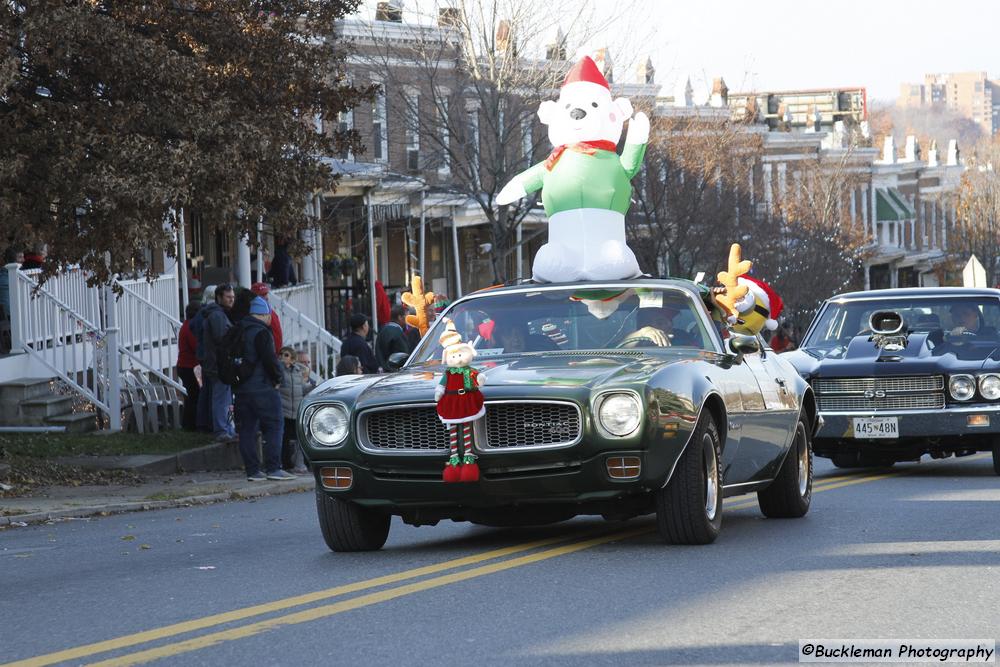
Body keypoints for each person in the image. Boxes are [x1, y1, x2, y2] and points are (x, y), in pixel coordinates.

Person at [233, 297, 296, 481]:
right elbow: (270, 360)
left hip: (241, 388)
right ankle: (273, 468)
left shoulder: (237, 329)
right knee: (275, 426)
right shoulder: (262, 332)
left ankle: (253, 471)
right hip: (263, 388)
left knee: (246, 430)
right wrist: (277, 379)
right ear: (264, 314)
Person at [199, 283, 237, 442]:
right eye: (228, 297)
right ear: (219, 297)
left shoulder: (220, 314)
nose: (231, 300)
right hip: (218, 365)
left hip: (222, 365)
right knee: (221, 398)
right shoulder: (217, 316)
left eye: (233, 297)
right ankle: (221, 430)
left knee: (227, 399)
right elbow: (223, 339)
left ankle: (228, 428)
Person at [277, 346, 313, 474]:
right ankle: (285, 465)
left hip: (296, 411)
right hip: (284, 410)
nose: (282, 357)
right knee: (284, 439)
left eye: (286, 355)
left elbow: (302, 388)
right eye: (281, 355)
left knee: (299, 439)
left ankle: (299, 464)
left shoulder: (297, 372)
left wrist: (313, 387)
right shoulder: (279, 370)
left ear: (292, 359)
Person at [619, 305, 696, 347]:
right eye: (660, 322)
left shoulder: (681, 336)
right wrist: (642, 333)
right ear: (644, 325)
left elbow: (698, 352)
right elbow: (619, 350)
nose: (669, 325)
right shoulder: (637, 341)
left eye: (670, 320)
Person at [176, 302, 201, 431]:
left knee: (192, 396)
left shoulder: (185, 326)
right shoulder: (191, 328)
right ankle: (190, 425)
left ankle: (188, 425)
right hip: (190, 367)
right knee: (195, 396)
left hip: (184, 366)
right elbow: (196, 346)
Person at [375, 304, 410, 370]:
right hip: (395, 371)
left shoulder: (383, 329)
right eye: (407, 316)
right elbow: (404, 355)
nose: (409, 319)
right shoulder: (397, 332)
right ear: (400, 317)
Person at [251, 282, 283, 351]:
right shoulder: (256, 315)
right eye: (262, 295)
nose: (266, 297)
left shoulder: (270, 312)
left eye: (266, 294)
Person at [493, 318, 558, 353]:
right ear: (500, 339)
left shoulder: (545, 346)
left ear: (525, 337)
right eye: (508, 334)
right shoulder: (491, 363)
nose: (516, 339)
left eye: (519, 333)